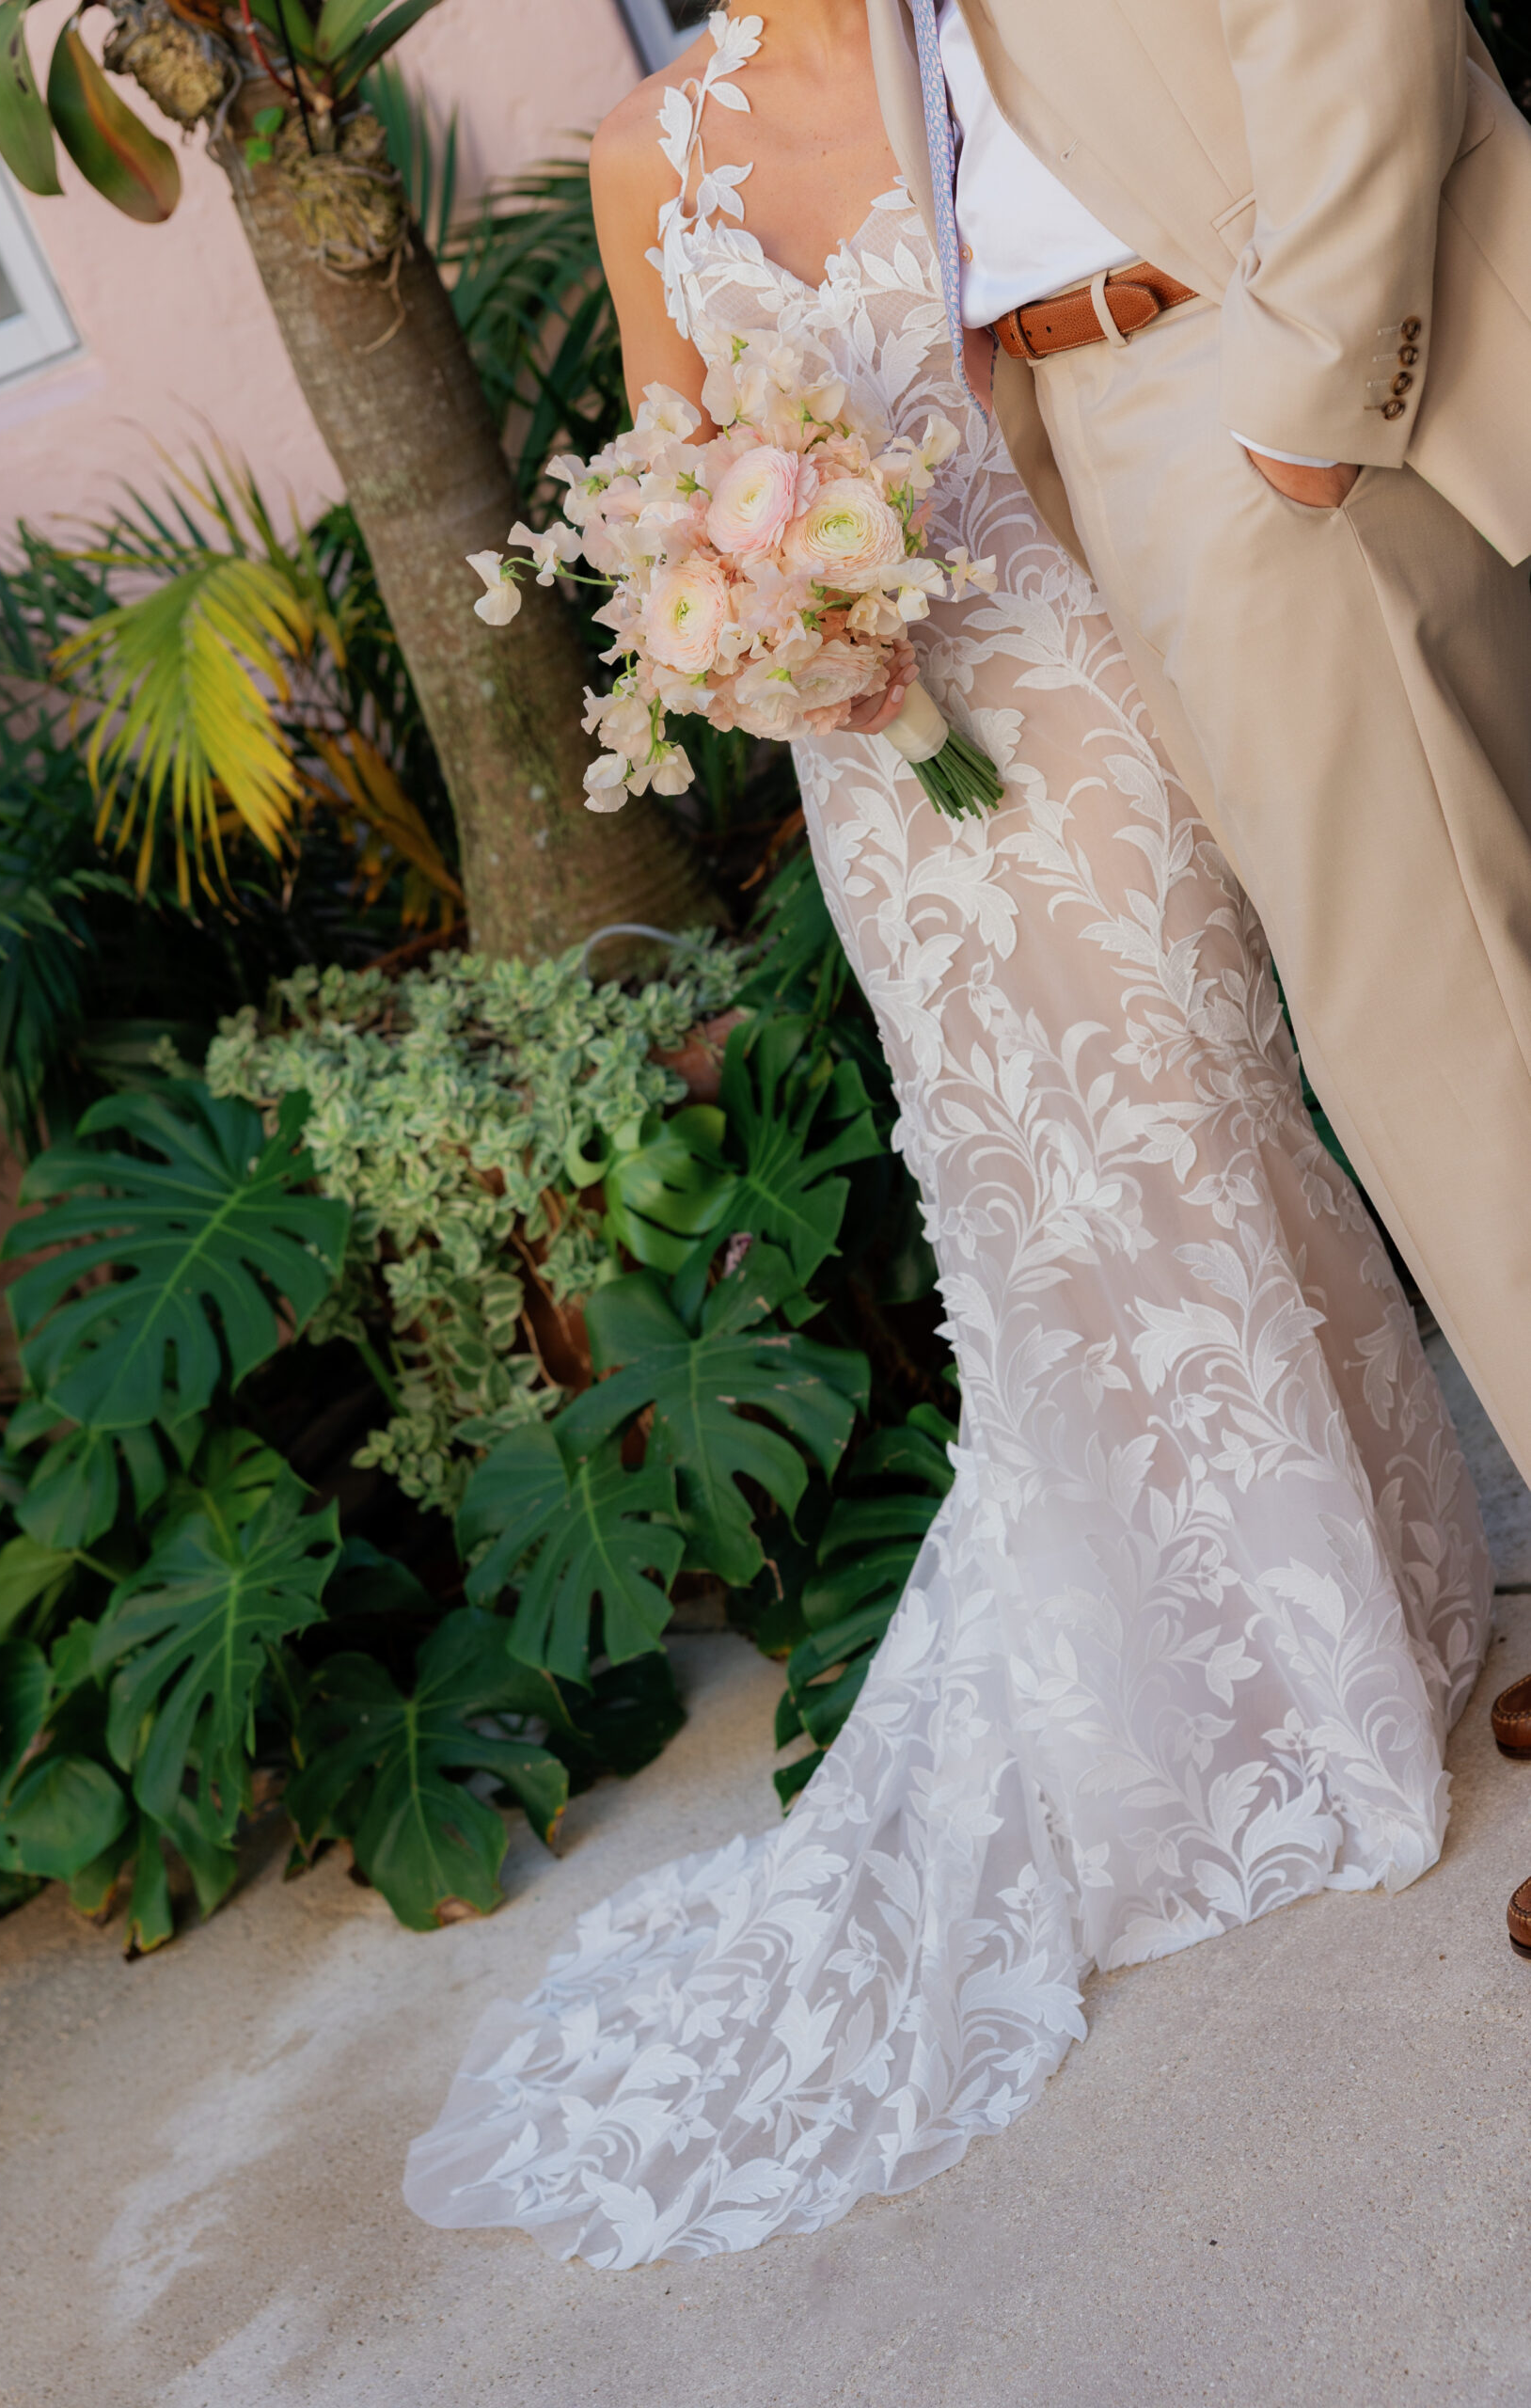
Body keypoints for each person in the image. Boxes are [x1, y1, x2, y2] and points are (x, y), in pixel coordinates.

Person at [402, 3, 1492, 2267]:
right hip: (898, 756)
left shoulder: (948, 43)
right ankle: (1228, 1675)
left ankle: (1357, 1613)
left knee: (1250, 1108)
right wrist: (771, 640)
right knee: (1077, 1196)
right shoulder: (650, 151)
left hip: (1098, 643)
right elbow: (666, 497)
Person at [863, 0, 1531, 1991]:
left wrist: (1303, 399)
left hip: (1242, 380)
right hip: (1105, 423)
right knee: (1422, 1026)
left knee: (1448, 1035)